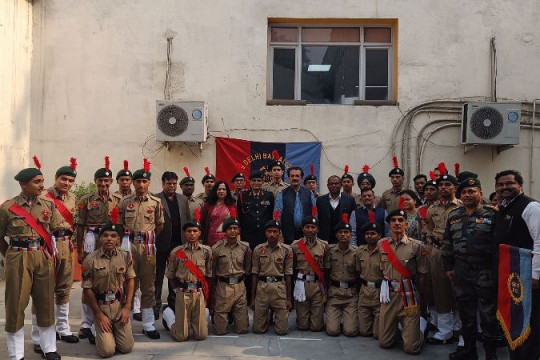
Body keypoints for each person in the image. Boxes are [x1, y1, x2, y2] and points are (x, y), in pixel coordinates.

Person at [0, 158, 61, 360]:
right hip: (18, 257)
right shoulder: (8, 208)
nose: (42, 185)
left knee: (45, 302)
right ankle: (16, 354)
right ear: (23, 184)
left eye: (42, 181)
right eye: (37, 182)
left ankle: (49, 348)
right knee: (16, 305)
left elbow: (57, 228)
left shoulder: (49, 205)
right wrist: (11, 255)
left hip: (42, 256)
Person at [443, 177, 499, 360]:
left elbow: (500, 245)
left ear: (480, 193)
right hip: (461, 272)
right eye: (464, 192)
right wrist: (448, 267)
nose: (467, 195)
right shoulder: (453, 215)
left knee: (488, 317)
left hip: (486, 272)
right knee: (466, 315)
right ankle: (469, 351)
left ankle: (491, 355)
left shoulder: (493, 214)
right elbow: (447, 243)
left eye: (472, 191)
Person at [32, 159, 79, 354]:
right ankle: (37, 337)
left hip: (66, 244)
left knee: (64, 288)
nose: (66, 183)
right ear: (55, 179)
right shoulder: (44, 197)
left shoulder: (73, 198)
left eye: (70, 180)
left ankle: (63, 329)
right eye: (63, 179)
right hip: (48, 245)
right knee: (42, 292)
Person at [493, 170, 540, 360]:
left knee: (530, 321)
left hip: (528, 275)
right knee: (516, 319)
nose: (505, 187)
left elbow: (539, 241)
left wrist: (536, 274)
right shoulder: (504, 207)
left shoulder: (531, 207)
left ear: (520, 185)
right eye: (500, 184)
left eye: (509, 183)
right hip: (511, 275)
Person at [118, 159, 165, 339]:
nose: (141, 184)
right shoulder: (125, 202)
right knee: (127, 283)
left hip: (147, 248)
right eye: (138, 181)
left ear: (148, 183)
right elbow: (120, 225)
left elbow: (159, 225)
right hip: (129, 246)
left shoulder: (155, 202)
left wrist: (148, 237)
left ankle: (148, 324)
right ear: (133, 183)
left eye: (144, 181)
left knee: (148, 285)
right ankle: (125, 323)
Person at [77, 156, 119, 342]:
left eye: (106, 180)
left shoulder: (117, 200)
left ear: (110, 182)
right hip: (91, 240)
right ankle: (86, 322)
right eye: (100, 180)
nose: (103, 183)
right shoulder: (86, 200)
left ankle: (107, 319)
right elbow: (79, 225)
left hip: (109, 240)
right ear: (95, 182)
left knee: (108, 279)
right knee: (88, 281)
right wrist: (80, 250)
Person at [82, 210, 135, 358]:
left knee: (126, 347)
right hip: (101, 306)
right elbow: (87, 290)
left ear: (118, 239)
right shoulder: (90, 260)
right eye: (105, 235)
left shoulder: (125, 256)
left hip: (118, 305)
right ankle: (94, 330)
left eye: (113, 236)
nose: (109, 239)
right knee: (107, 351)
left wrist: (127, 307)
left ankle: (110, 333)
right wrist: (99, 315)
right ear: (100, 238)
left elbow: (130, 280)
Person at [378, 207, 427, 354]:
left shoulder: (416, 246)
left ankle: (422, 327)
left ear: (406, 224)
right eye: (393, 220)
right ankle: (405, 330)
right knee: (385, 343)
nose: (397, 223)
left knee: (412, 349)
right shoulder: (382, 244)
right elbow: (382, 269)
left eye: (401, 220)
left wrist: (419, 297)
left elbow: (422, 274)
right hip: (389, 295)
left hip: (408, 294)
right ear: (389, 224)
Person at [162, 211, 213, 342]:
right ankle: (169, 316)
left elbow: (209, 274)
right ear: (184, 233)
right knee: (181, 337)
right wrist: (175, 291)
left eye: (195, 231)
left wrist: (206, 293)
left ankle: (202, 316)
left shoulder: (206, 251)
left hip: (198, 293)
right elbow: (171, 275)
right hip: (182, 293)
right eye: (189, 231)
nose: (192, 234)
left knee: (201, 336)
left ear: (199, 233)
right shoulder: (177, 252)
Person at [425, 163, 461, 345]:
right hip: (438, 254)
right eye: (441, 186)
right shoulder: (432, 209)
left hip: (459, 254)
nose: (444, 188)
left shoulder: (462, 207)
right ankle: (445, 331)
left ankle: (461, 331)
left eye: (448, 185)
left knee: (461, 292)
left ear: (455, 188)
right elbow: (430, 230)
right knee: (440, 291)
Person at [155, 171, 190, 317]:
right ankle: (155, 304)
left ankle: (173, 303)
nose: (172, 186)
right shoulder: (156, 199)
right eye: (169, 183)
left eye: (174, 183)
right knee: (158, 275)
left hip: (178, 243)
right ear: (163, 183)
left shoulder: (182, 199)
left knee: (175, 275)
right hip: (161, 243)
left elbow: (187, 220)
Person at [210, 209, 251, 335]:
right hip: (223, 286)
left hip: (240, 286)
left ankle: (236, 317)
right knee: (220, 331)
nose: (233, 231)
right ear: (225, 231)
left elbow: (247, 268)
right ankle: (224, 318)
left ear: (239, 231)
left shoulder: (245, 247)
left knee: (243, 329)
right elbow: (213, 270)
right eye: (230, 228)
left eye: (235, 228)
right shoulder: (216, 248)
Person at [251, 213, 293, 335]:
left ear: (279, 233)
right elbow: (255, 274)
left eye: (275, 231)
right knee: (258, 330)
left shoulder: (286, 250)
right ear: (265, 233)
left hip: (279, 289)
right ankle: (266, 315)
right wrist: (253, 298)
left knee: (282, 331)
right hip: (262, 288)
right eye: (269, 231)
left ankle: (276, 315)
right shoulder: (258, 250)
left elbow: (288, 274)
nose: (272, 234)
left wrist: (289, 299)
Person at [291, 210, 329, 331]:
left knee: (316, 327)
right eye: (307, 227)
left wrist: (325, 287)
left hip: (317, 285)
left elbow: (326, 268)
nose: (310, 230)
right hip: (302, 284)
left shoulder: (324, 245)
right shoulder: (295, 246)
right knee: (302, 326)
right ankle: (301, 317)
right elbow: (292, 267)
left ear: (317, 229)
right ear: (303, 229)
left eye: (313, 227)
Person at [324, 214, 359, 337]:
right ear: (336, 235)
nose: (343, 235)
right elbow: (326, 272)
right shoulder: (330, 250)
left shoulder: (357, 252)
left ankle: (349, 321)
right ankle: (335, 320)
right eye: (340, 232)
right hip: (334, 294)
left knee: (350, 332)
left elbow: (359, 274)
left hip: (351, 295)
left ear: (351, 235)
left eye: (346, 232)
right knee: (332, 331)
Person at [357, 211, 384, 338]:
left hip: (380, 292)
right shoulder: (360, 252)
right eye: (367, 234)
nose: (369, 236)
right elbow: (357, 271)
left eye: (373, 234)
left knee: (378, 335)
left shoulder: (385, 252)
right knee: (363, 332)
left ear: (379, 235)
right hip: (365, 292)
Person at [274, 166, 316, 244]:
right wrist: (280, 235)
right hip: (287, 236)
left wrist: (314, 233)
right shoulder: (282, 194)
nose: (295, 178)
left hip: (306, 235)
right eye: (292, 176)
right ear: (288, 178)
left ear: (301, 178)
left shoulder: (309, 193)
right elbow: (277, 216)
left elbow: (314, 214)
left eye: (297, 176)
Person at [237, 170, 275, 249]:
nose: (256, 183)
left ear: (262, 182)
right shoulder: (242, 196)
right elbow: (239, 215)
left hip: (263, 234)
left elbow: (271, 214)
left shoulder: (269, 195)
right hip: (247, 234)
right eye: (253, 180)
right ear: (250, 182)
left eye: (259, 181)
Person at [316, 175, 356, 243]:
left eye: (336, 183)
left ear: (341, 185)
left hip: (343, 237)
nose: (334, 185)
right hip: (324, 238)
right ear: (328, 186)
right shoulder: (320, 200)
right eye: (331, 184)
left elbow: (353, 219)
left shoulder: (350, 200)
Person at [200, 181, 236, 247]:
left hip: (226, 239)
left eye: (224, 189)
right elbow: (202, 222)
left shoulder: (231, 205)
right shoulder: (208, 204)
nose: (221, 191)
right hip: (210, 237)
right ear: (215, 191)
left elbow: (236, 223)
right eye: (219, 189)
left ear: (227, 191)